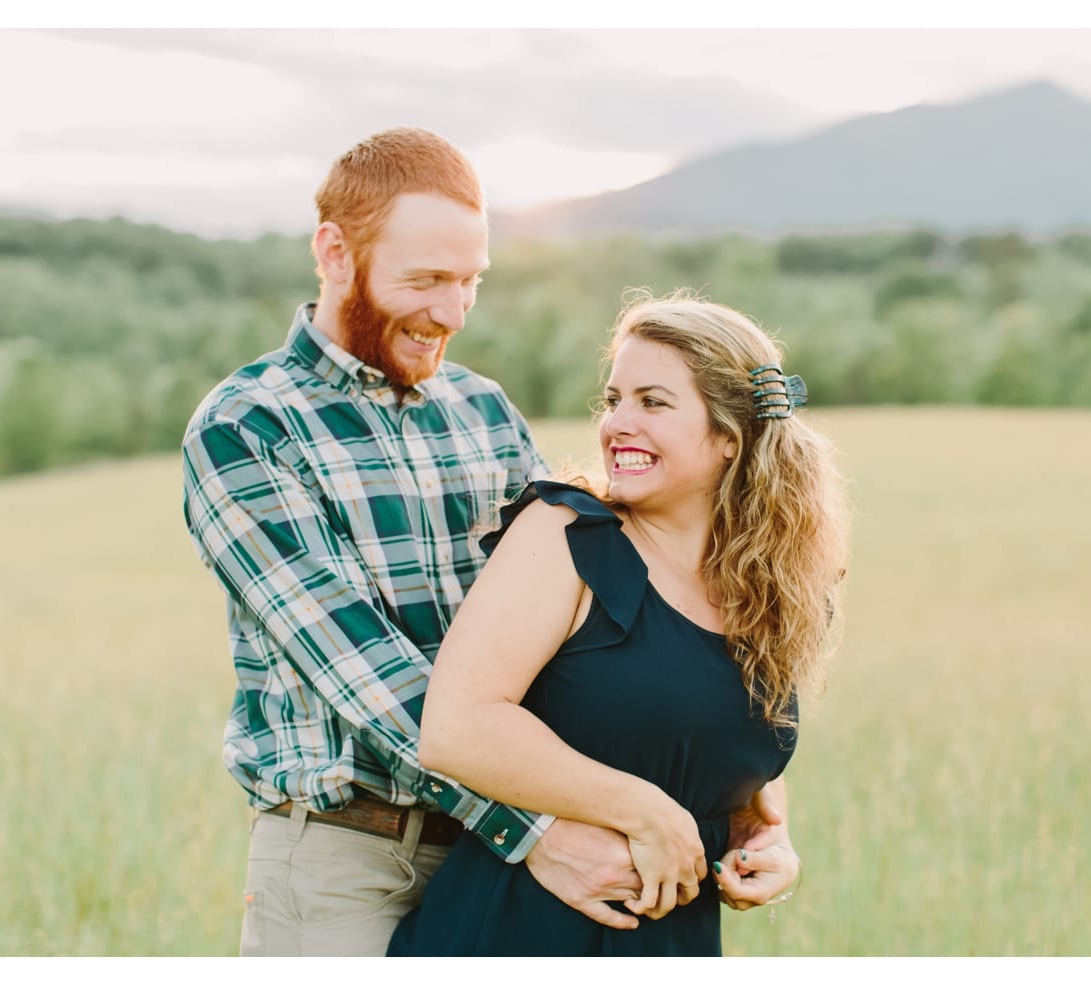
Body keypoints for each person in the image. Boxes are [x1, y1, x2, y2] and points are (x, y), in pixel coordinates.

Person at [181, 128, 792, 956]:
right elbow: (365, 675)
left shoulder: (485, 413)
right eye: (426, 279)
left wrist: (753, 802)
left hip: (499, 853)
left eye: (471, 281)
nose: (453, 311)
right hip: (351, 857)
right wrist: (539, 826)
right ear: (333, 252)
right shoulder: (247, 427)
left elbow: (618, 617)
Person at [387, 292, 851, 955]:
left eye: (652, 402)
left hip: (674, 939)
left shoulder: (772, 586)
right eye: (613, 400)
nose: (617, 424)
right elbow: (456, 728)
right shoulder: (568, 534)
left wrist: (768, 842)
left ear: (728, 436)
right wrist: (644, 808)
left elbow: (715, 739)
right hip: (520, 931)